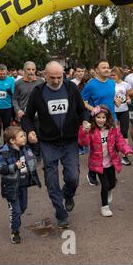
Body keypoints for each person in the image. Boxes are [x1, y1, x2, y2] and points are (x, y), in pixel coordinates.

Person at [22, 61, 91, 229]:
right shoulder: (38, 92)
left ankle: (68, 195)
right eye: (51, 77)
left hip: (70, 141)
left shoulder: (71, 88)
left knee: (73, 177)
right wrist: (30, 130)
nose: (55, 80)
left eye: (59, 77)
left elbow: (82, 110)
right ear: (44, 75)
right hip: (48, 143)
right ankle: (60, 214)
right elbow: (27, 117)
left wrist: (85, 121)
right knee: (52, 181)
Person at [78, 105, 133, 217]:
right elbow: (83, 143)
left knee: (112, 184)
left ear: (107, 118)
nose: (101, 120)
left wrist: (127, 150)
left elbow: (120, 141)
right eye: (98, 117)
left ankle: (109, 190)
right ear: (93, 118)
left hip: (111, 161)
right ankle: (104, 206)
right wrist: (84, 132)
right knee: (105, 184)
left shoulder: (113, 129)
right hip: (98, 163)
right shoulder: (91, 131)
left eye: (103, 117)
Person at [0, 126, 41, 244]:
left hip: (23, 184)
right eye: (21, 136)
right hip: (11, 187)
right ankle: (15, 232)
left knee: (23, 207)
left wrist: (35, 144)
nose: (24, 138)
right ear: (12, 140)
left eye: (24, 135)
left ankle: (15, 217)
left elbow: (35, 158)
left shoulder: (25, 148)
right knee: (16, 210)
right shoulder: (4, 152)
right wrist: (14, 166)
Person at [81, 60, 117, 186]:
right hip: (98, 121)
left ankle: (110, 173)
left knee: (112, 146)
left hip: (112, 119)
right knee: (98, 149)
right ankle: (92, 172)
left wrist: (116, 101)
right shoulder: (91, 84)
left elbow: (110, 98)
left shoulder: (112, 83)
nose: (107, 69)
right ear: (96, 70)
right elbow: (82, 101)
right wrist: (93, 109)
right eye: (104, 68)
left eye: (108, 67)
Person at [13, 61, 44, 159]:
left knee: (38, 134)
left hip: (38, 114)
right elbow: (14, 99)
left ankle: (38, 155)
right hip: (25, 115)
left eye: (33, 69)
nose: (31, 72)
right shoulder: (18, 83)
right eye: (28, 69)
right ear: (24, 70)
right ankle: (31, 155)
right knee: (27, 136)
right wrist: (18, 110)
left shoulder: (41, 81)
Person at [111, 67, 132, 165]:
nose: (112, 77)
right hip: (113, 111)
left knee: (124, 132)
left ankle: (125, 156)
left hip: (124, 110)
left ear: (119, 75)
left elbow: (127, 96)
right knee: (113, 133)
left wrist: (128, 100)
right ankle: (113, 155)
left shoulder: (125, 85)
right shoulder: (109, 84)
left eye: (114, 75)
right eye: (111, 75)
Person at [0, 64, 16, 154]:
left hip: (7, 107)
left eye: (4, 74)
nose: (2, 76)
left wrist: (10, 92)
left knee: (7, 127)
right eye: (0, 74)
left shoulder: (11, 80)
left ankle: (5, 145)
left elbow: (14, 94)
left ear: (7, 72)